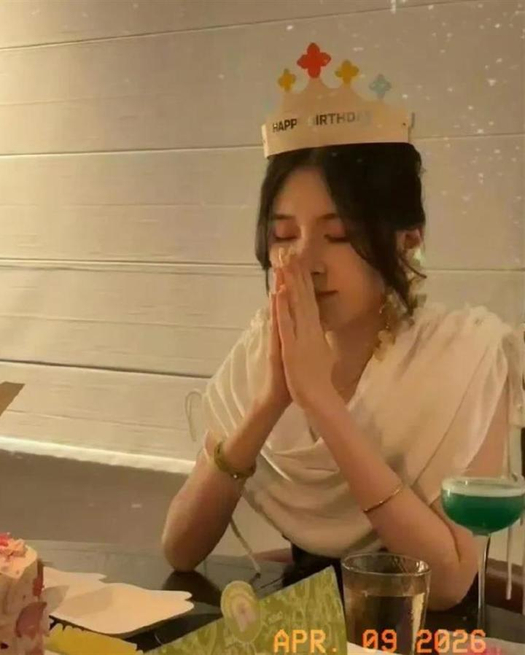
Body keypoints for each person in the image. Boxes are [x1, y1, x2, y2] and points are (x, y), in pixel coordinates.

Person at [161, 44, 525, 612]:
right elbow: (180, 548)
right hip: (306, 622)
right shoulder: (265, 347)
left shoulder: (466, 356)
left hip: (418, 630)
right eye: (284, 235)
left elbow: (448, 582)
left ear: (408, 240)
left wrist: (323, 405)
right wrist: (271, 401)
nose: (305, 261)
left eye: (338, 235)